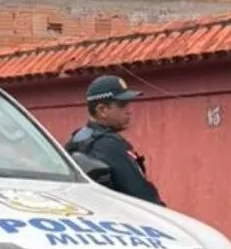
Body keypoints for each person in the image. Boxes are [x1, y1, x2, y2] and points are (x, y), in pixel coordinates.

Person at [64, 74, 164, 205]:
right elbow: (141, 195)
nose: (129, 111)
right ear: (102, 110)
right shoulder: (110, 145)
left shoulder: (77, 139)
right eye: (122, 105)